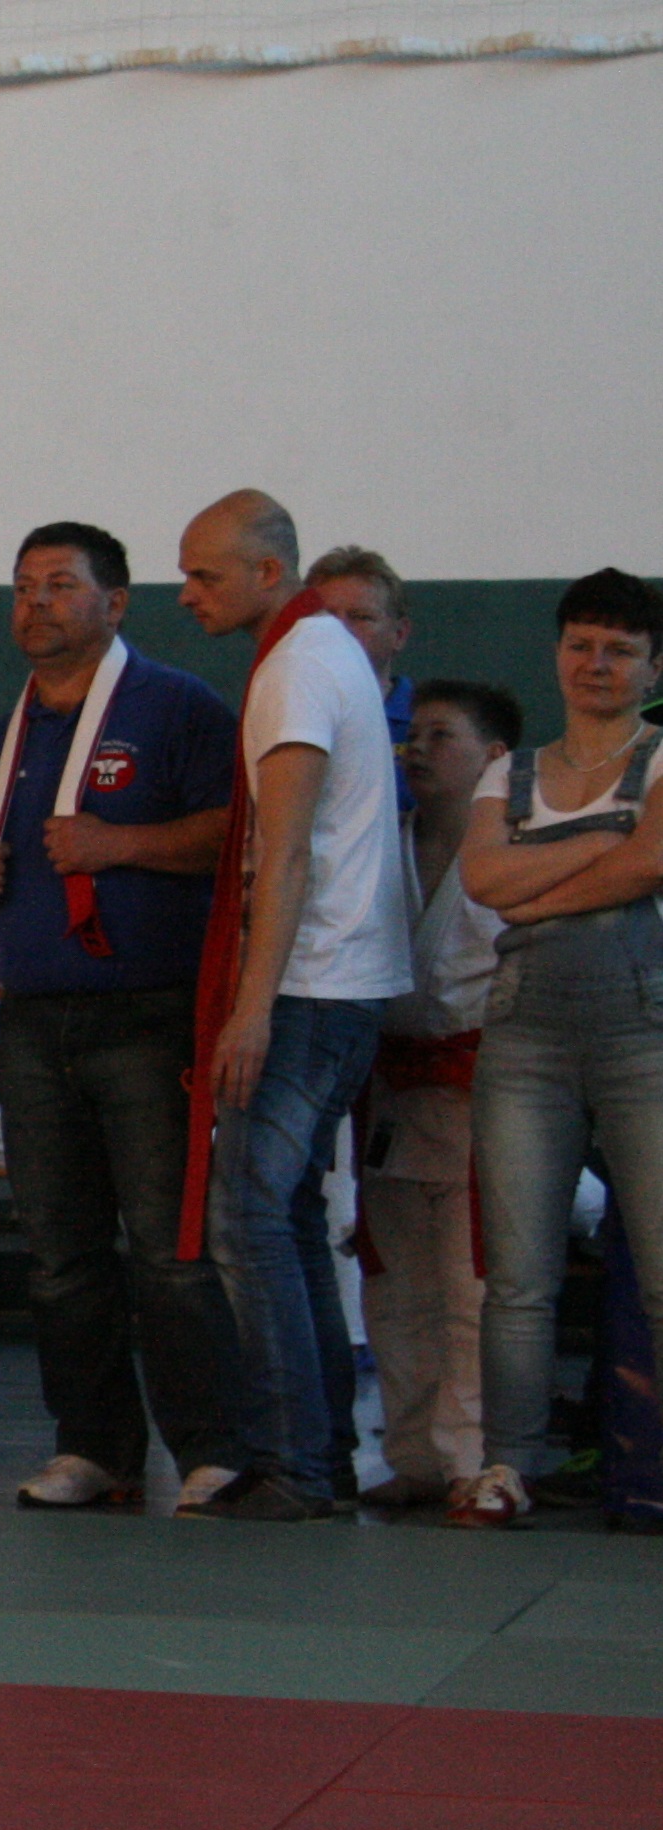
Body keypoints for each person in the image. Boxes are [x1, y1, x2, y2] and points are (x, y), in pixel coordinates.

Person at [0, 523, 244, 1511]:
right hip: (33, 1018)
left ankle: (209, 1449)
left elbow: (231, 834)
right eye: (22, 586)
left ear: (115, 603)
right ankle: (91, 1447)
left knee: (166, 1248)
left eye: (59, 585)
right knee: (59, 1254)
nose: (35, 603)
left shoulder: (177, 708)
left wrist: (120, 844)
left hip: (149, 1013)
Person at [174, 490, 413, 1521]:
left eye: (203, 575)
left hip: (309, 984)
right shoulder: (318, 653)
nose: (186, 594)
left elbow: (283, 854)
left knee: (247, 1219)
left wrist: (250, 1006)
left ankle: (296, 1464)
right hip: (336, 981)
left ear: (268, 573)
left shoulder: (296, 667)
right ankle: (313, 1454)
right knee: (286, 1219)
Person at [448, 571, 663, 1528]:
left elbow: (651, 861)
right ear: (556, 653)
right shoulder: (509, 772)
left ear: (653, 668)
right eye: (580, 644)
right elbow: (481, 878)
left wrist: (531, 886)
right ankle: (506, 1465)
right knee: (518, 1278)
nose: (596, 663)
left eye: (620, 650)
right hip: (523, 1033)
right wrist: (602, 848)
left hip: (642, 1030)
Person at [360, 680, 514, 1512]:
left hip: (480, 1088)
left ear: (494, 758)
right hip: (390, 1086)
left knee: (469, 1284)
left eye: (440, 736)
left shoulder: (513, 852)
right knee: (396, 1287)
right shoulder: (379, 841)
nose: (416, 749)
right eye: (411, 735)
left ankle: (470, 1459)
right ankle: (412, 1453)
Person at [307, 545, 416, 752]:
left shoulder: (426, 722)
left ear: (399, 634)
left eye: (360, 617)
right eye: (325, 617)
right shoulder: (284, 715)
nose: (339, 629)